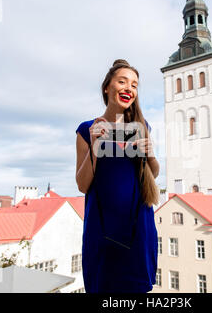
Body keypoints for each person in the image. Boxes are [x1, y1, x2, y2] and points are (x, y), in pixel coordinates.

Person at [75, 59, 160, 293]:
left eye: (134, 85)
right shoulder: (86, 129)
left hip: (139, 225)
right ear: (107, 87)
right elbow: (82, 186)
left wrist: (150, 155)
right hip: (101, 227)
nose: (129, 88)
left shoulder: (142, 127)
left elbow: (153, 174)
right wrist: (95, 145)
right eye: (122, 81)